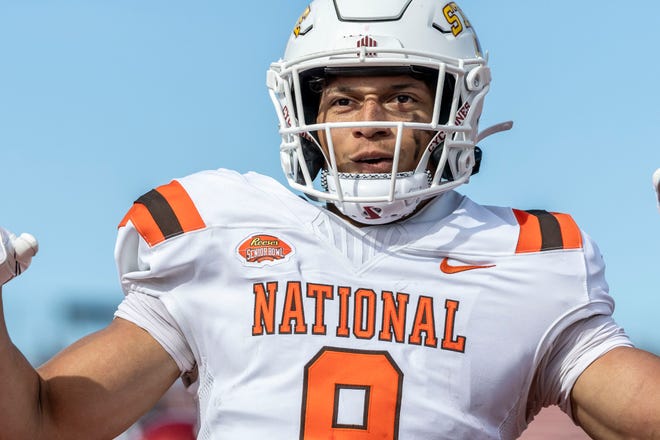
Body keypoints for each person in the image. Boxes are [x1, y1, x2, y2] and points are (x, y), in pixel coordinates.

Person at [0, 1, 659, 439]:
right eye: (343, 99)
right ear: (305, 114)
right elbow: (42, 422)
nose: (369, 120)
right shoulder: (222, 233)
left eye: (401, 97)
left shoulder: (528, 259)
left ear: (458, 107)